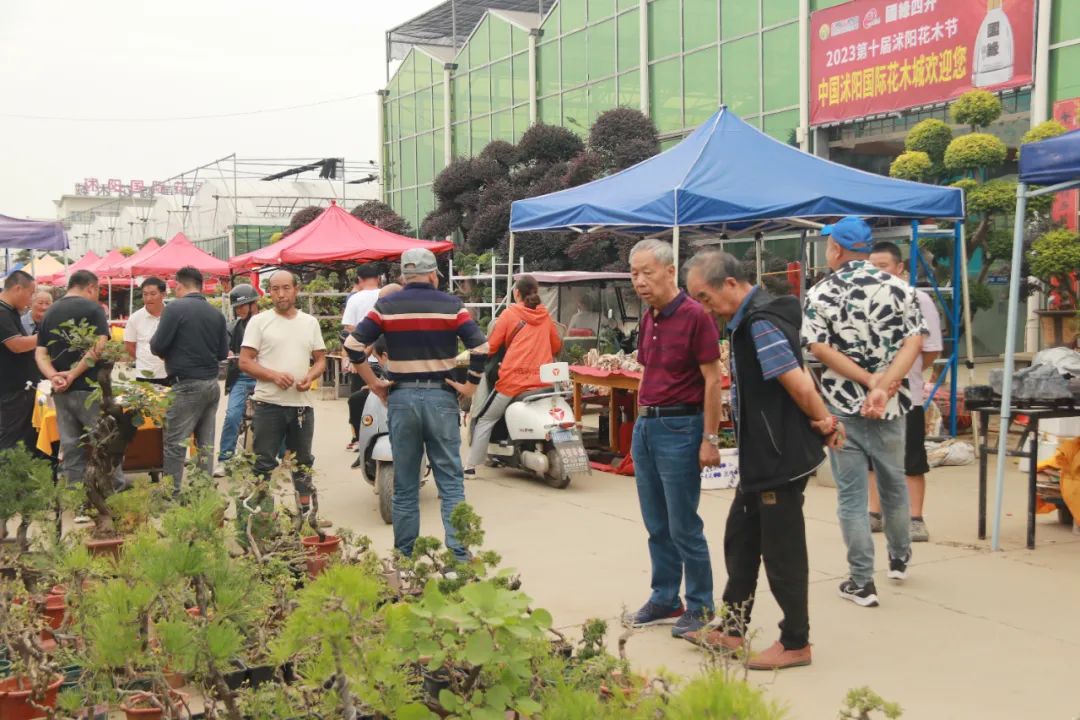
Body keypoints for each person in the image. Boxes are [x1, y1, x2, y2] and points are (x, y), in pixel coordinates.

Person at [683, 251, 843, 670]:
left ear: (730, 284)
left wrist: (825, 421)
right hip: (760, 457)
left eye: (705, 297)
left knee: (782, 551)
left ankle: (795, 642)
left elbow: (798, 383)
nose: (704, 308)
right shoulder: (748, 322)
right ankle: (732, 628)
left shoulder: (760, 323)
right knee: (741, 538)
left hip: (777, 457)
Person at [802, 216, 926, 608]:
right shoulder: (900, 288)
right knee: (894, 482)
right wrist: (885, 384)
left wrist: (866, 379)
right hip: (891, 405)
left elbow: (818, 348)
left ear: (836, 249)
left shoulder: (820, 293)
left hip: (842, 406)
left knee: (852, 497)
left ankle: (861, 581)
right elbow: (914, 341)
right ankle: (899, 558)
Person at [345, 248, 488, 561]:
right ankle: (459, 557)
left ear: (403, 276)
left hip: (402, 398)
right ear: (434, 275)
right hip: (441, 398)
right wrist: (470, 386)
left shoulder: (386, 306)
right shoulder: (452, 305)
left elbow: (353, 345)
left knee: (406, 485)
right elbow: (481, 347)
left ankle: (405, 559)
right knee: (450, 482)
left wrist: (374, 383)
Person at [625, 239, 723, 640]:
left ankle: (700, 604)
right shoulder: (650, 316)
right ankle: (665, 597)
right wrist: (639, 421)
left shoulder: (696, 316)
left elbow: (713, 379)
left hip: (681, 428)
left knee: (684, 524)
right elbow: (646, 372)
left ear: (670, 272)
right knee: (656, 523)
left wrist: (710, 438)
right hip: (648, 427)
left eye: (647, 273)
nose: (640, 281)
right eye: (634, 274)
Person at [867, 241, 943, 543]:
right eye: (872, 267)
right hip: (872, 391)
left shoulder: (918, 299)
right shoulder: (865, 300)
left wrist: (909, 373)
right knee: (872, 456)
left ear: (899, 268)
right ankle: (874, 513)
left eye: (883, 266)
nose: (878, 273)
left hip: (908, 394)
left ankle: (916, 518)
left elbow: (931, 349)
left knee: (911, 458)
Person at [36, 270, 124, 520]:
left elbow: (40, 353)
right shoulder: (93, 309)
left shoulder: (50, 312)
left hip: (61, 392)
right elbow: (99, 346)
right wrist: (73, 374)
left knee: (71, 447)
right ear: (91, 287)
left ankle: (80, 506)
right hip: (90, 390)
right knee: (106, 443)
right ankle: (113, 499)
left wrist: (54, 376)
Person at [239, 270, 326, 516]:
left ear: (296, 290)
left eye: (286, 288)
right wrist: (273, 376)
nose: (281, 294)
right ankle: (261, 516)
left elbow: (320, 360)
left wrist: (310, 376)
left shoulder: (309, 323)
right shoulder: (259, 322)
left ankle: (305, 515)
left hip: (301, 407)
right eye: (275, 289)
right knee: (263, 462)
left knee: (303, 463)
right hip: (268, 404)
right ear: (269, 293)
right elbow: (245, 361)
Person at [465, 274, 562, 475]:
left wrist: (473, 352)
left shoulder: (509, 314)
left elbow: (491, 347)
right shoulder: (545, 316)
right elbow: (556, 346)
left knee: (486, 418)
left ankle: (471, 467)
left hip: (513, 382)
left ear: (516, 293)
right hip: (543, 382)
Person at [151, 266, 228, 492]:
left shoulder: (174, 309)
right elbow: (223, 353)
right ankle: (203, 493)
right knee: (205, 444)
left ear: (178, 285)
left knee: (175, 444)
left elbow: (157, 345)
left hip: (185, 385)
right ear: (200, 286)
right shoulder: (216, 313)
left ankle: (171, 495)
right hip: (211, 384)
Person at [348, 282, 401, 460]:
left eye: (383, 301)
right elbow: (361, 346)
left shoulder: (411, 321)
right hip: (384, 376)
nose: (380, 305)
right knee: (357, 400)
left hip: (411, 383)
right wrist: (373, 382)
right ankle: (363, 443)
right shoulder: (379, 323)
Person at [214, 283, 261, 475]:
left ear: (253, 304)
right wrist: (226, 351)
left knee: (277, 415)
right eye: (237, 307)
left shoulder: (268, 324)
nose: (239, 310)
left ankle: (285, 457)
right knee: (232, 415)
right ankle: (225, 459)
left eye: (242, 306)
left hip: (265, 377)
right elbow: (224, 347)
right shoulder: (233, 328)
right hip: (241, 378)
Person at [0, 271, 42, 451]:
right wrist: (46, 335)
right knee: (10, 442)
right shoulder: (2, 313)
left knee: (22, 440)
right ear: (18, 288)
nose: (31, 300)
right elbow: (16, 345)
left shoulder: (10, 311)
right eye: (31, 293)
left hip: (19, 388)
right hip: (12, 390)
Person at [342, 265, 383, 450]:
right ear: (379, 278)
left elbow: (349, 329)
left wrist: (357, 352)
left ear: (359, 279)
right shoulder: (386, 295)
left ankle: (359, 438)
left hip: (360, 361)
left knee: (358, 400)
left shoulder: (355, 299)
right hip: (384, 358)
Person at [123, 277, 168, 384]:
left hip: (169, 373)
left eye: (153, 294)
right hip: (143, 374)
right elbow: (129, 346)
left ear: (163, 294)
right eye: (145, 294)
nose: (148, 298)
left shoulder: (172, 315)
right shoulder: (135, 318)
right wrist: (144, 359)